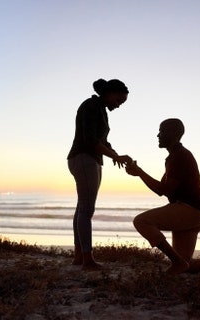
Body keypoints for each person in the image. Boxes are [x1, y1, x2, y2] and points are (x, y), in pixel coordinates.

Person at [125, 118, 200, 274]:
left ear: (173, 133)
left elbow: (165, 190)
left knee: (141, 221)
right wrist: (139, 173)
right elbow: (161, 190)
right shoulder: (175, 156)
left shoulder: (179, 156)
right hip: (197, 213)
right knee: (187, 265)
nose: (157, 135)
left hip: (189, 210)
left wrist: (139, 172)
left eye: (161, 131)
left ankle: (178, 262)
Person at [67, 78, 132, 270]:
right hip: (83, 158)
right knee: (87, 210)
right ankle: (87, 259)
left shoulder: (101, 109)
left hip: (91, 160)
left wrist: (116, 154)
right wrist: (115, 156)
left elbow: (103, 140)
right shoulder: (90, 106)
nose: (119, 105)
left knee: (82, 208)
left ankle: (80, 256)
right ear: (109, 93)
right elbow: (90, 140)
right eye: (119, 100)